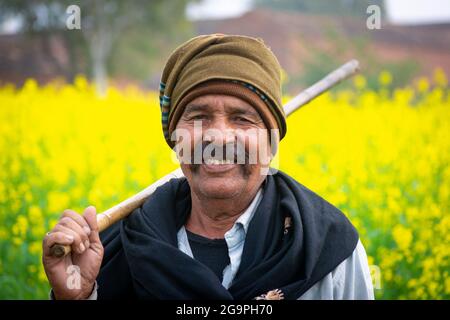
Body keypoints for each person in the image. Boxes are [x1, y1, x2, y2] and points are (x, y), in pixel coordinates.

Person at [42, 34, 374, 300]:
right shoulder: (117, 251)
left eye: (242, 119)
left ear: (271, 144)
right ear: (175, 138)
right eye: (199, 117)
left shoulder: (327, 252)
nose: (217, 136)